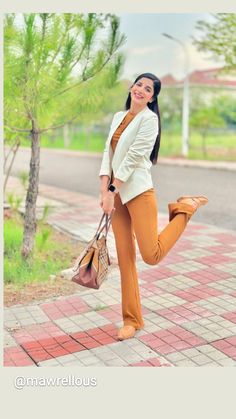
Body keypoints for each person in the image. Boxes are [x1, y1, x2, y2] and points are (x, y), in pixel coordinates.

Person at [99, 72, 208, 341]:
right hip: (116, 195)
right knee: (125, 260)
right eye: (139, 84)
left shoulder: (150, 120)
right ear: (132, 87)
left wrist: (113, 189)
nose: (141, 90)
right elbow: (107, 155)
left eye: (148, 89)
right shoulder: (118, 116)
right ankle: (131, 320)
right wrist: (105, 192)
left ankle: (185, 209)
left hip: (137, 192)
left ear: (152, 97)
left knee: (151, 255)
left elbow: (135, 157)